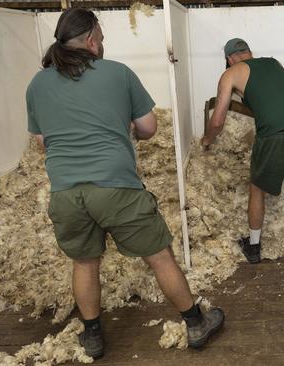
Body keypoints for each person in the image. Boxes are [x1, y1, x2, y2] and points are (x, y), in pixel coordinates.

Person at [26, 9, 224, 359]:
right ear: (91, 40)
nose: (102, 45)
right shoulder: (118, 73)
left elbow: (44, 141)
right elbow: (148, 128)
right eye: (101, 39)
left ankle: (92, 336)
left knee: (85, 263)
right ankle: (196, 322)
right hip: (115, 186)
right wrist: (123, 128)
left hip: (66, 193)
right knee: (159, 256)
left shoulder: (37, 84)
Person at [201, 38, 284, 279]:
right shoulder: (274, 63)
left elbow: (217, 120)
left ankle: (253, 247)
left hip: (273, 138)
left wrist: (207, 140)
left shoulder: (230, 73)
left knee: (256, 190)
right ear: (249, 52)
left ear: (229, 59)